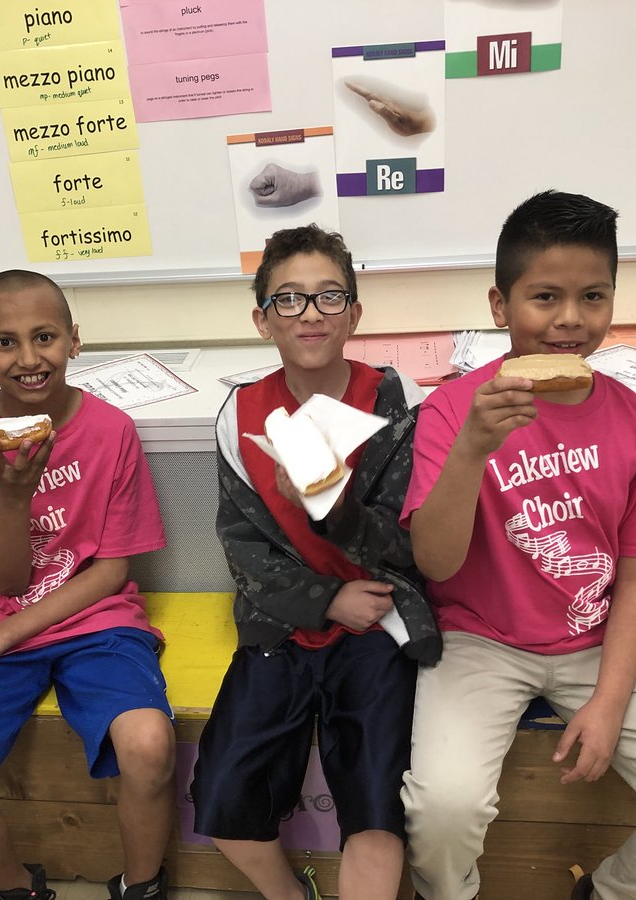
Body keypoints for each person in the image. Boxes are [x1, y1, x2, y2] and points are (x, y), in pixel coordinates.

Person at [399, 191, 636, 900]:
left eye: (592, 296)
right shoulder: (452, 411)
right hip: (480, 639)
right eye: (544, 296)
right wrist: (473, 449)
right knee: (442, 810)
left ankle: (608, 892)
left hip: (596, 636)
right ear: (501, 306)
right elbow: (434, 563)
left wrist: (608, 700)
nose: (569, 318)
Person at [191, 224, 440, 900]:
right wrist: (324, 599)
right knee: (222, 791)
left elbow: (412, 541)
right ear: (262, 319)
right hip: (284, 623)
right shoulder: (239, 416)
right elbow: (242, 546)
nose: (310, 313)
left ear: (355, 313)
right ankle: (291, 894)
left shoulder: (399, 401)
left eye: (330, 296)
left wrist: (336, 507)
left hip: (378, 618)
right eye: (289, 299)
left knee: (377, 799)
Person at [0, 269, 176, 900]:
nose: (29, 359)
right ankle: (16, 889)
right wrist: (14, 496)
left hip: (93, 616)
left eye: (45, 337)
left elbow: (112, 571)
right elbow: (6, 580)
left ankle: (141, 885)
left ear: (74, 340)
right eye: (4, 343)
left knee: (148, 744)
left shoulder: (111, 430)